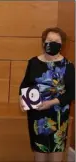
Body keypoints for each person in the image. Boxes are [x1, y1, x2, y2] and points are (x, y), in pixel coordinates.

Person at [19, 27, 75, 162]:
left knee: (56, 148)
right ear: (43, 42)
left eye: (57, 41)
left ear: (62, 44)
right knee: (39, 148)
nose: (53, 43)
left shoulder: (68, 66)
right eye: (49, 40)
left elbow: (72, 92)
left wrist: (51, 102)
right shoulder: (33, 62)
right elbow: (25, 84)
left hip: (58, 113)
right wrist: (21, 99)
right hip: (37, 113)